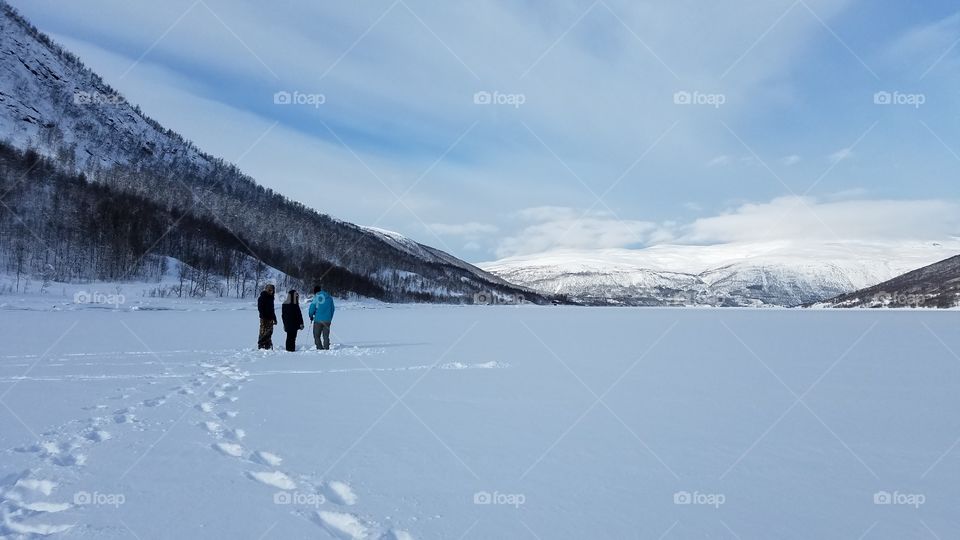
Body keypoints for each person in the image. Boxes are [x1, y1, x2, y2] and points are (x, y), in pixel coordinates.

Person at [308, 285, 335, 350]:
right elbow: (333, 309)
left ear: (315, 291)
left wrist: (311, 316)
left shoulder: (316, 297)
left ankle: (319, 348)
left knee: (316, 335)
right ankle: (326, 349)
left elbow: (312, 308)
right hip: (327, 320)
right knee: (326, 336)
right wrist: (329, 318)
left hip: (318, 320)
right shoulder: (329, 297)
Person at [257, 284, 277, 350]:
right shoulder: (262, 297)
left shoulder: (271, 298)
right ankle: (261, 346)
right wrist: (263, 317)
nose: (271, 291)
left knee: (269, 332)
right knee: (263, 333)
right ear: (267, 290)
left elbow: (272, 309)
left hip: (270, 319)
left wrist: (274, 318)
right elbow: (260, 308)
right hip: (264, 318)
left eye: (272, 290)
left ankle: (268, 346)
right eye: (270, 290)